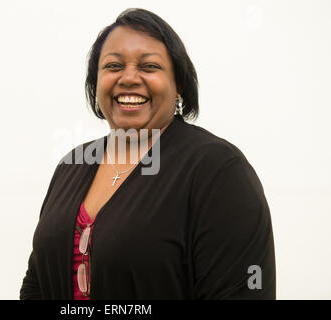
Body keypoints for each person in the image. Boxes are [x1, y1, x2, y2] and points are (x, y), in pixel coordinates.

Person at [20, 8, 276, 300]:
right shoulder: (72, 165)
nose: (128, 78)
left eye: (149, 66)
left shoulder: (218, 170)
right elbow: (36, 285)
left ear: (178, 83)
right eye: (113, 66)